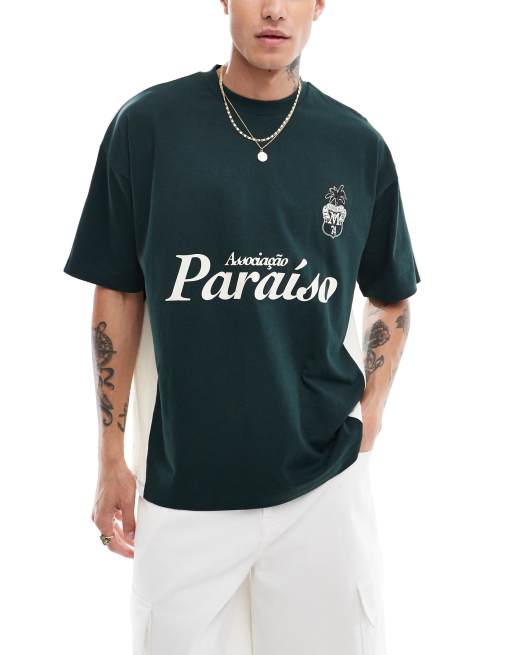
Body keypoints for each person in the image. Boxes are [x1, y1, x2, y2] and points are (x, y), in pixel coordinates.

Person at [63, 1, 421, 653]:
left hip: (323, 486)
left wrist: (372, 409)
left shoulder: (356, 145)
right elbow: (117, 288)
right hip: (186, 487)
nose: (273, 10)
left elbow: (391, 295)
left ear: (319, 4)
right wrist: (111, 457)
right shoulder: (148, 127)